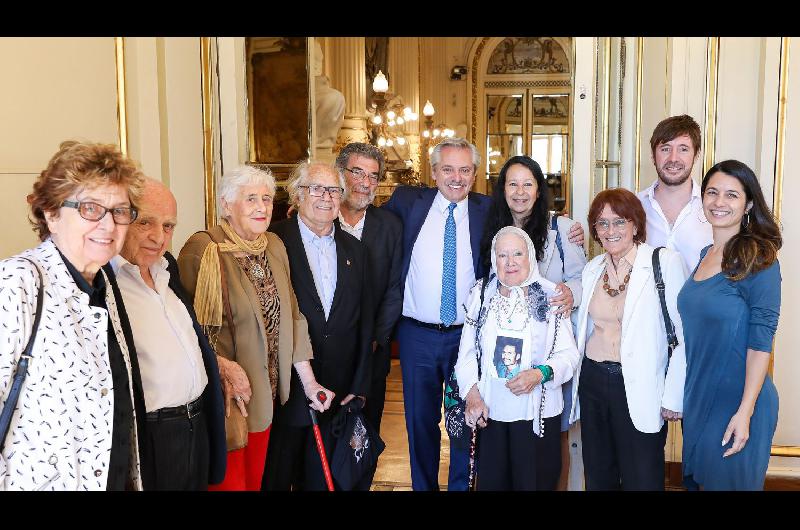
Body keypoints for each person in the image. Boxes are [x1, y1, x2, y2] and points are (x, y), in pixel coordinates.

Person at [0, 140, 146, 490]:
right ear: (51, 214)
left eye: (120, 211)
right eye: (90, 208)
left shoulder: (104, 285)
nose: (108, 226)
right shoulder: (18, 281)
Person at [178, 165, 331, 491]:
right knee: (231, 484)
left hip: (267, 396)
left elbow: (293, 316)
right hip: (228, 398)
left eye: (266, 198)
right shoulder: (204, 250)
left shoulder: (273, 245)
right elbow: (187, 331)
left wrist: (309, 381)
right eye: (250, 199)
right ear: (226, 205)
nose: (262, 207)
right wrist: (223, 371)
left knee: (257, 481)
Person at [382, 137, 491, 491]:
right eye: (448, 169)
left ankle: (461, 486)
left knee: (464, 423)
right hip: (417, 335)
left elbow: (528, 221)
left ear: (475, 173)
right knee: (420, 423)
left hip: (467, 338)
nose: (456, 178)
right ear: (433, 172)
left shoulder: (488, 210)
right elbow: (365, 219)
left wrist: (564, 229)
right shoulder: (405, 202)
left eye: (464, 170)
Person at [479, 154, 587, 489]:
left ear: (540, 190)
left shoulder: (564, 229)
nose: (520, 191)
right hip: (501, 366)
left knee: (546, 447)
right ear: (502, 189)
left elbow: (585, 279)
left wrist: (569, 291)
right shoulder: (489, 226)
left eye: (529, 184)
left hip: (547, 352)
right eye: (513, 183)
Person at [111, 178, 226, 489]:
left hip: (198, 424)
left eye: (168, 226)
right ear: (120, 217)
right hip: (153, 436)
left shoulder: (168, 267)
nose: (157, 236)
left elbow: (185, 337)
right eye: (145, 221)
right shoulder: (103, 283)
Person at [569, 188, 687, 490]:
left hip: (638, 384)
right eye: (602, 223)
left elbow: (683, 335)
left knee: (642, 476)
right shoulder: (593, 269)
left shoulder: (664, 263)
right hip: (593, 381)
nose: (611, 231)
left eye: (619, 222)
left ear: (636, 224)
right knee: (598, 473)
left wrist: (673, 395)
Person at [678, 160, 782, 490]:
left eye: (731, 195)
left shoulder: (760, 258)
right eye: (712, 192)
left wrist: (745, 411)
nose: (719, 202)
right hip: (699, 394)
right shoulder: (705, 254)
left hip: (739, 400)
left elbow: (761, 340)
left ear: (748, 203)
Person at [267, 161, 372, 491]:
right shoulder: (273, 242)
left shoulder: (355, 249)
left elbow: (365, 321)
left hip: (338, 391)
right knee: (280, 476)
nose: (326, 197)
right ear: (297, 195)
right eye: (316, 188)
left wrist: (359, 383)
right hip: (287, 387)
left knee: (326, 480)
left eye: (333, 190)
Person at [455, 226, 579, 490]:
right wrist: (472, 394)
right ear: (493, 259)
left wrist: (540, 374)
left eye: (518, 254)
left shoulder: (551, 295)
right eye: (502, 255)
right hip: (491, 414)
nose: (510, 262)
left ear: (530, 257)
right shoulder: (481, 295)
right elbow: (465, 354)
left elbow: (569, 355)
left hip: (537, 416)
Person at [334, 142, 403, 489]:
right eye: (357, 172)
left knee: (364, 436)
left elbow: (394, 289)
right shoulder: (319, 218)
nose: (365, 183)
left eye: (373, 176)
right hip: (323, 354)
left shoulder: (389, 225)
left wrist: (375, 339)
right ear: (340, 174)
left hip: (371, 354)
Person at [638, 115, 713, 272]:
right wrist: (573, 233)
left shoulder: (714, 207)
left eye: (683, 149)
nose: (673, 158)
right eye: (665, 149)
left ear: (696, 155)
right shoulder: (634, 205)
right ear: (653, 155)